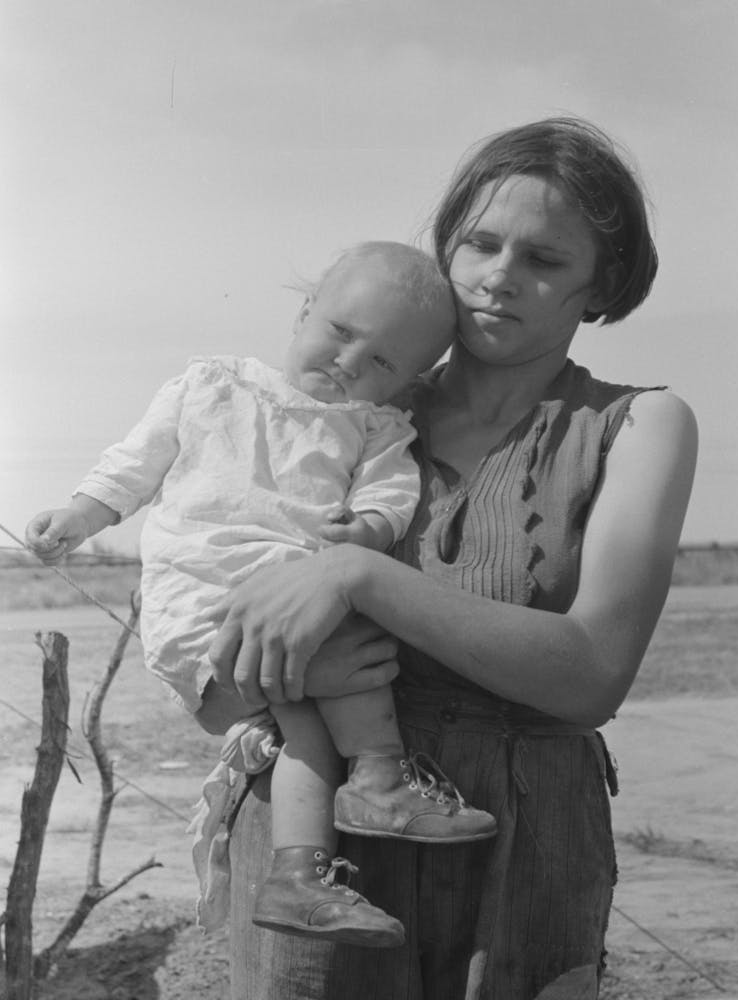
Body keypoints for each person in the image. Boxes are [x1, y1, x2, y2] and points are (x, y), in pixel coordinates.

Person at [206, 118, 698, 999]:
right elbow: (212, 655)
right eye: (480, 243)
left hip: (527, 845)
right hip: (316, 855)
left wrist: (359, 575)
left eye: (543, 259)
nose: (498, 276)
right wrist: (266, 674)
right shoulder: (336, 413)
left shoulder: (638, 427)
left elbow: (593, 675)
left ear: (601, 283)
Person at [24, 241, 498, 951]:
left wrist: (369, 527)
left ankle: (298, 874)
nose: (349, 363)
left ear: (408, 381)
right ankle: (379, 774)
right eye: (341, 332)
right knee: (348, 662)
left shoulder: (374, 427)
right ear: (305, 310)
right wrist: (79, 516)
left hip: (291, 605)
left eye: (381, 362)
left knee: (309, 724)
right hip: (200, 598)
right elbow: (134, 465)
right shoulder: (212, 385)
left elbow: (391, 493)